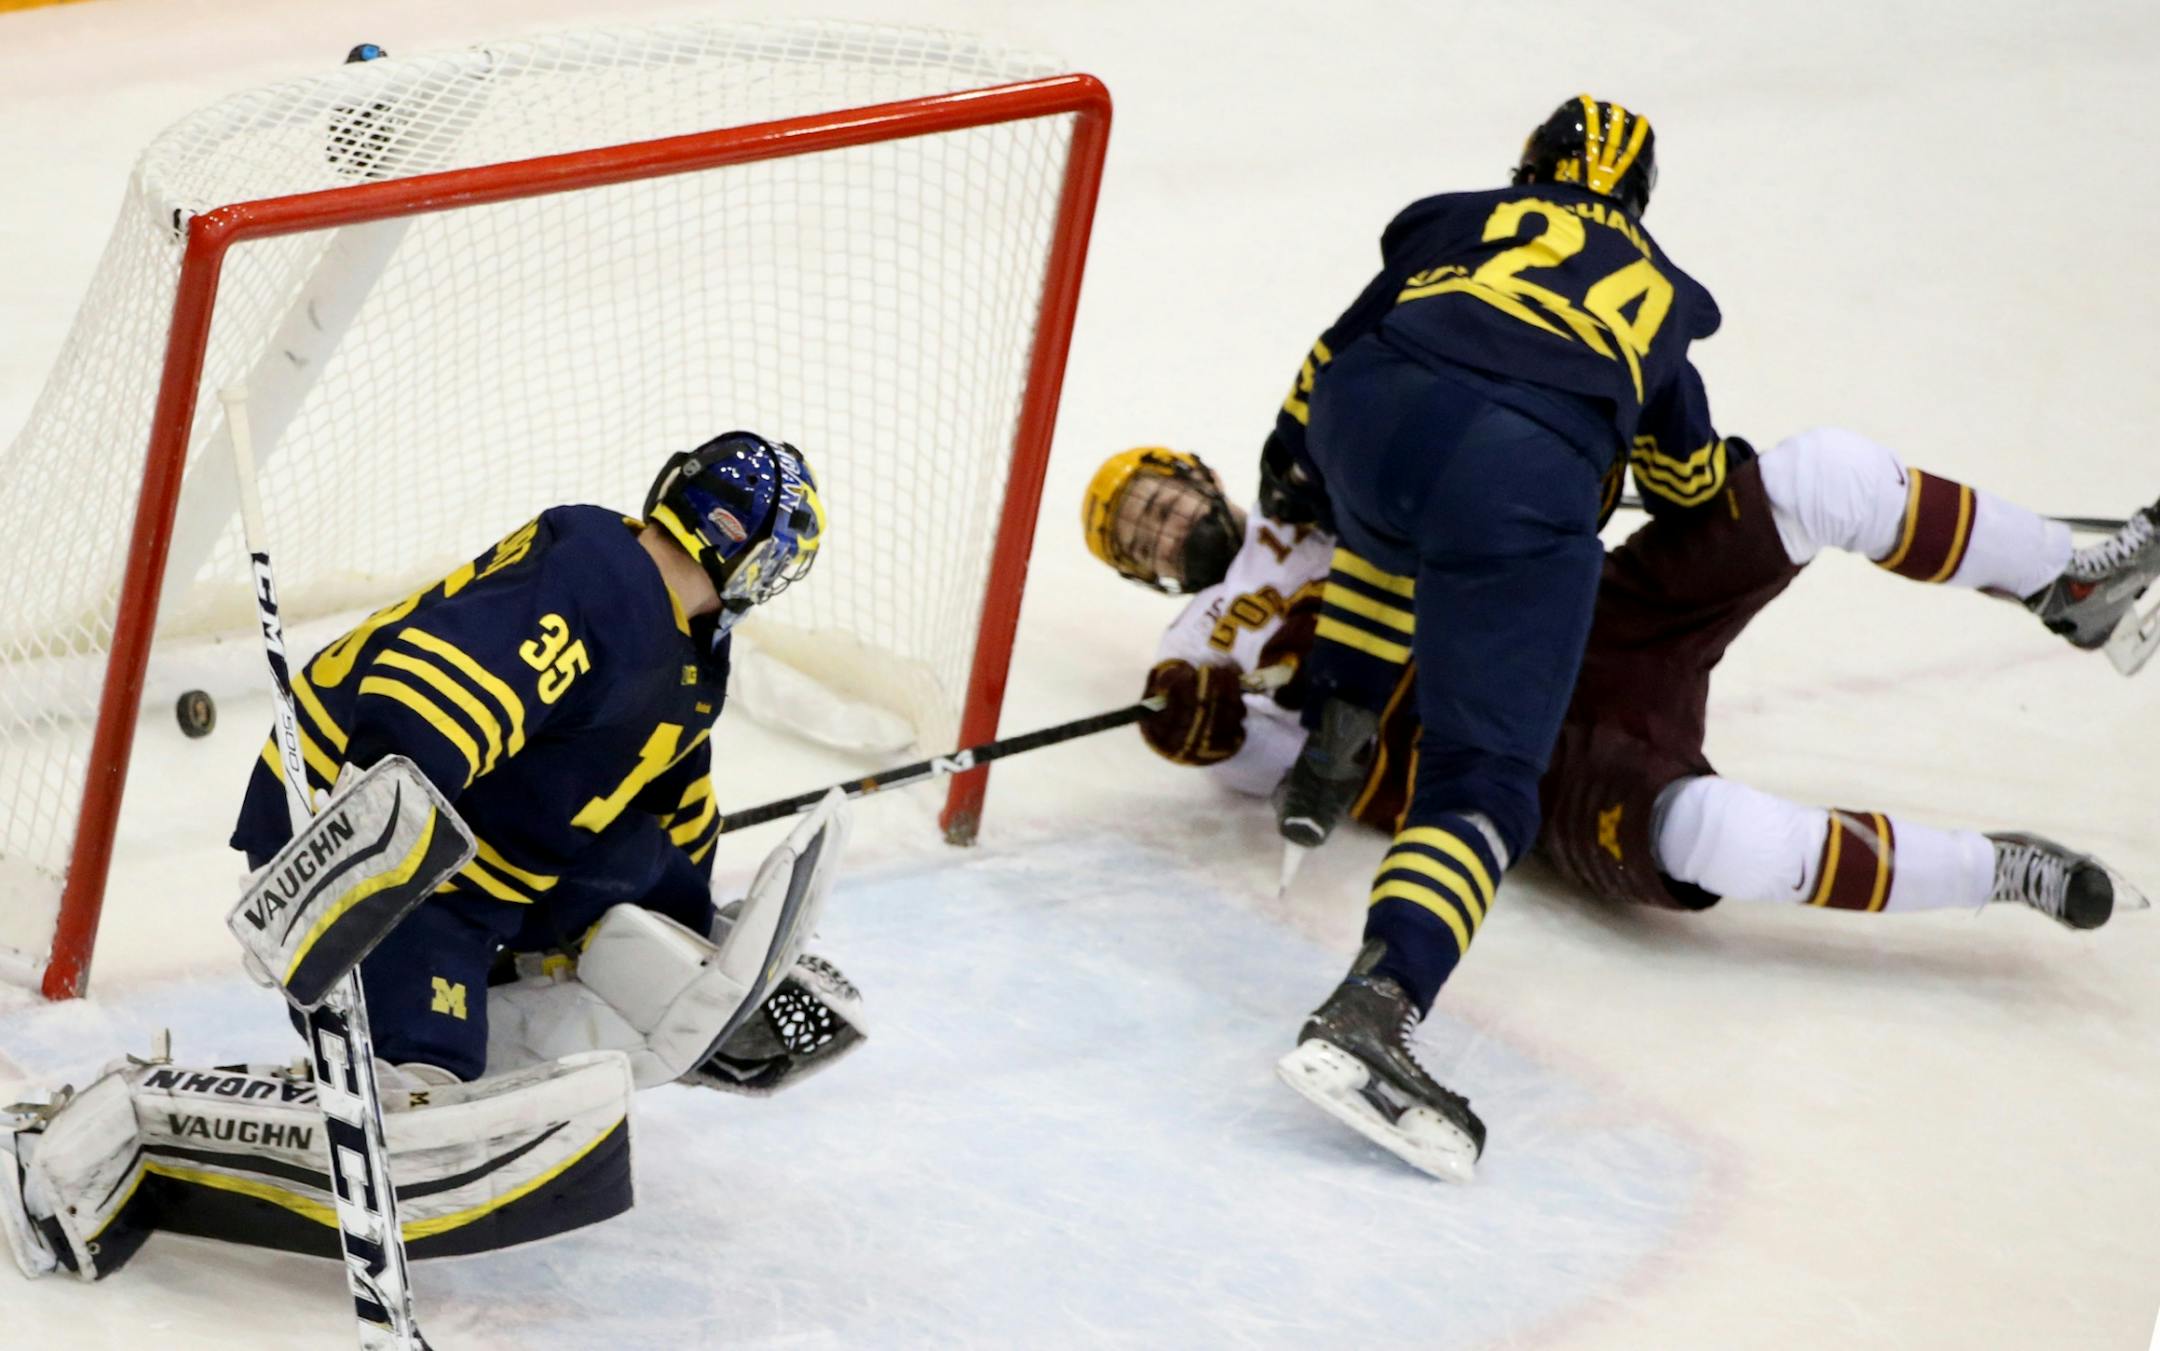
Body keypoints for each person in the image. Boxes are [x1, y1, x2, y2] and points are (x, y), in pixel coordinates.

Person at [1082, 428, 2156, 1180]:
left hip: (1588, 617)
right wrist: (1215, 734)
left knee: (1821, 471)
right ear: (1146, 576)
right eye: (1143, 536)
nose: (1164, 525)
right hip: (1534, 763)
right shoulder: (1191, 655)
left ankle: (2071, 581)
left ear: (1202, 474)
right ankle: (2000, 868)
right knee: (1721, 840)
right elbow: (1295, 780)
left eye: (1162, 498)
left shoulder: (1318, 490)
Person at [1, 431, 866, 1281]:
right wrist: (367, 850)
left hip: (490, 851)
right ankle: (142, 1123)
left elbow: (672, 799)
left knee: (641, 865)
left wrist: (684, 921)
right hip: (378, 843)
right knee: (425, 1076)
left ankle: (689, 976)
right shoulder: (602, 579)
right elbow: (429, 691)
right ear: (752, 559)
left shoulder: (686, 655)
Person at [1244, 94, 1730, 1180]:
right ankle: (1377, 1002)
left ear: (1529, 165)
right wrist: (1712, 459)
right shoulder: (1665, 294)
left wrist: (1291, 447)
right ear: (1639, 203)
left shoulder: (1460, 218)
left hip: (1366, 414)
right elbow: (1688, 482)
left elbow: (1342, 339)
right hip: (1520, 464)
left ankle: (1341, 716)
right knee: (1487, 779)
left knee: (1387, 518)